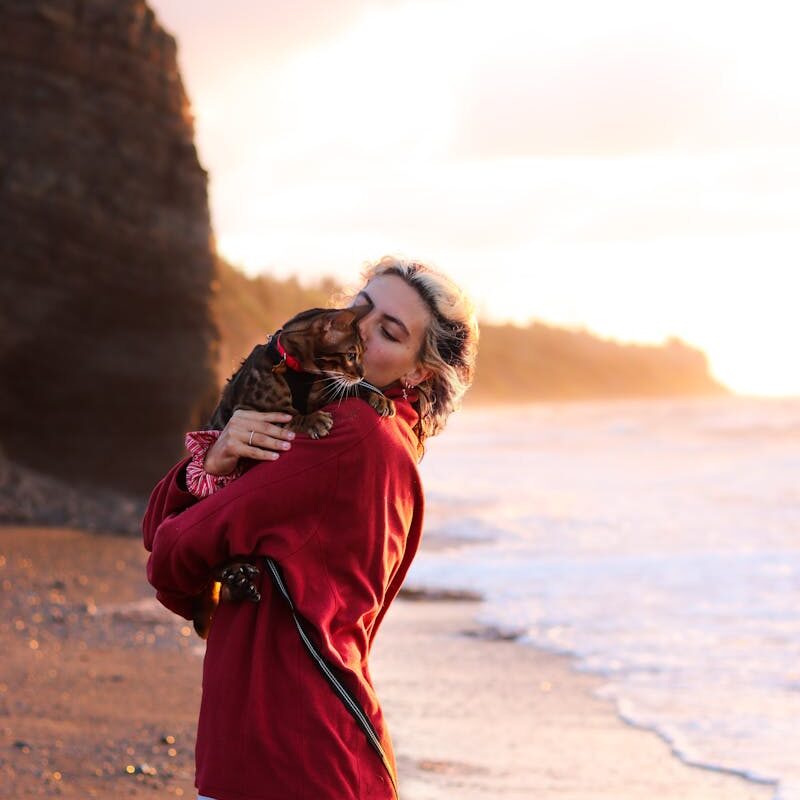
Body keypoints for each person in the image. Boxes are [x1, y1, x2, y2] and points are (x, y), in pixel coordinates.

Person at [142, 256, 479, 800]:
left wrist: (213, 467)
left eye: (390, 332)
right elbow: (170, 542)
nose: (360, 333)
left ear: (417, 372)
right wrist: (218, 458)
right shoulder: (388, 442)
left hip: (285, 759)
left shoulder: (350, 435)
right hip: (309, 752)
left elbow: (170, 554)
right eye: (357, 311)